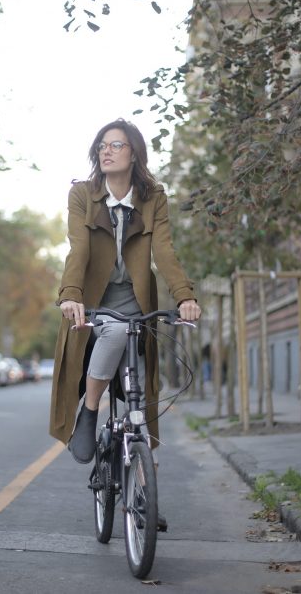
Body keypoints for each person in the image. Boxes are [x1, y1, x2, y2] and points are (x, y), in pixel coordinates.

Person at [50, 118, 201, 477]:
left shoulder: (153, 197)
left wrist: (184, 297)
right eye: (102, 145)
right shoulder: (83, 195)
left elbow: (163, 250)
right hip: (93, 305)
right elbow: (79, 248)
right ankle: (89, 411)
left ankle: (145, 495)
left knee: (141, 399)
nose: (107, 150)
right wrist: (71, 294)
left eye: (116, 145)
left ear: (134, 153)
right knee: (117, 333)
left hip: (135, 303)